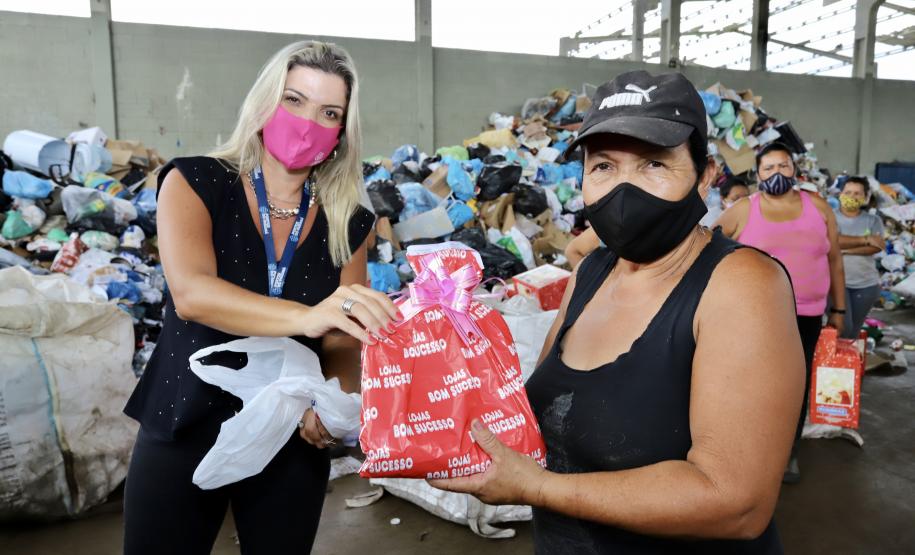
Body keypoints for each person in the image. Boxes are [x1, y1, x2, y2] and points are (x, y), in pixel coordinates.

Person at [431, 71, 803, 554]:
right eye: (604, 165)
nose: (624, 189)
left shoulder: (741, 285)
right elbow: (534, 419)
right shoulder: (591, 273)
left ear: (706, 175)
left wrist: (537, 488)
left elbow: (736, 503)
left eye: (654, 163)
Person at [121, 41, 399, 554]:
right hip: (185, 418)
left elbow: (343, 336)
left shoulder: (349, 221)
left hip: (291, 433)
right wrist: (308, 316)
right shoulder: (195, 182)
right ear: (265, 103)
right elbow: (192, 294)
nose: (308, 122)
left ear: (342, 132)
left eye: (329, 113)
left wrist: (335, 401)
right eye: (294, 100)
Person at [715, 142, 845, 484]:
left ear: (795, 169)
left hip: (807, 315)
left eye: (783, 166)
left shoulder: (818, 207)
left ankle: (787, 453)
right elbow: (708, 245)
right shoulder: (745, 209)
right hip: (755, 315)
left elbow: (834, 259)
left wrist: (839, 308)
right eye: (769, 168)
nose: (777, 173)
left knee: (795, 386)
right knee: (750, 382)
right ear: (758, 174)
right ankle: (745, 450)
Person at [835, 176, 885, 338]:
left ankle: (849, 355)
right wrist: (865, 239)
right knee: (843, 327)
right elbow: (832, 242)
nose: (852, 196)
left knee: (853, 332)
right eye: (848, 192)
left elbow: (876, 247)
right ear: (840, 194)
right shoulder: (830, 217)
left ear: (865, 197)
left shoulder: (873, 220)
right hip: (835, 283)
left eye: (857, 193)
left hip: (866, 284)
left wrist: (846, 250)